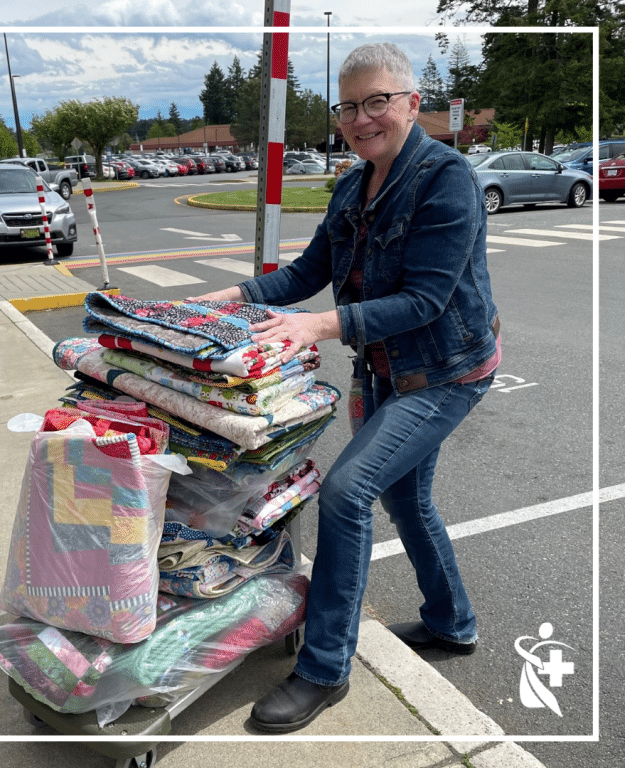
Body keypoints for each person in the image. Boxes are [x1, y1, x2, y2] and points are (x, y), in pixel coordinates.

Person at [186, 42, 500, 733]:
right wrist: (229, 298)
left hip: (447, 372)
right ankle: (453, 622)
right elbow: (303, 275)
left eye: (378, 101)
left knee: (349, 491)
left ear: (413, 104)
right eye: (350, 106)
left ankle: (326, 668)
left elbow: (425, 300)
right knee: (405, 500)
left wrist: (320, 326)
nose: (363, 118)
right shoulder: (353, 185)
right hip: (387, 369)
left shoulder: (446, 180)